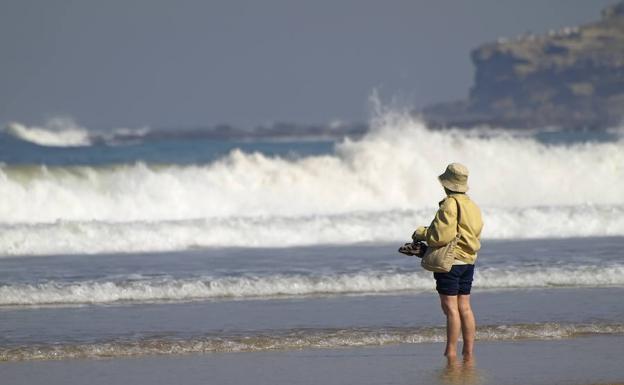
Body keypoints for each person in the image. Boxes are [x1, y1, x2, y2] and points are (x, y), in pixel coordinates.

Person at [412, 163, 483, 359]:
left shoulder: (450, 204)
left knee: (450, 308)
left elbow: (439, 236)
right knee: (465, 307)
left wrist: (421, 232)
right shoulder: (472, 205)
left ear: (447, 184)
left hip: (451, 262)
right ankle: (468, 352)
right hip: (468, 261)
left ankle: (450, 351)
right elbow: (474, 231)